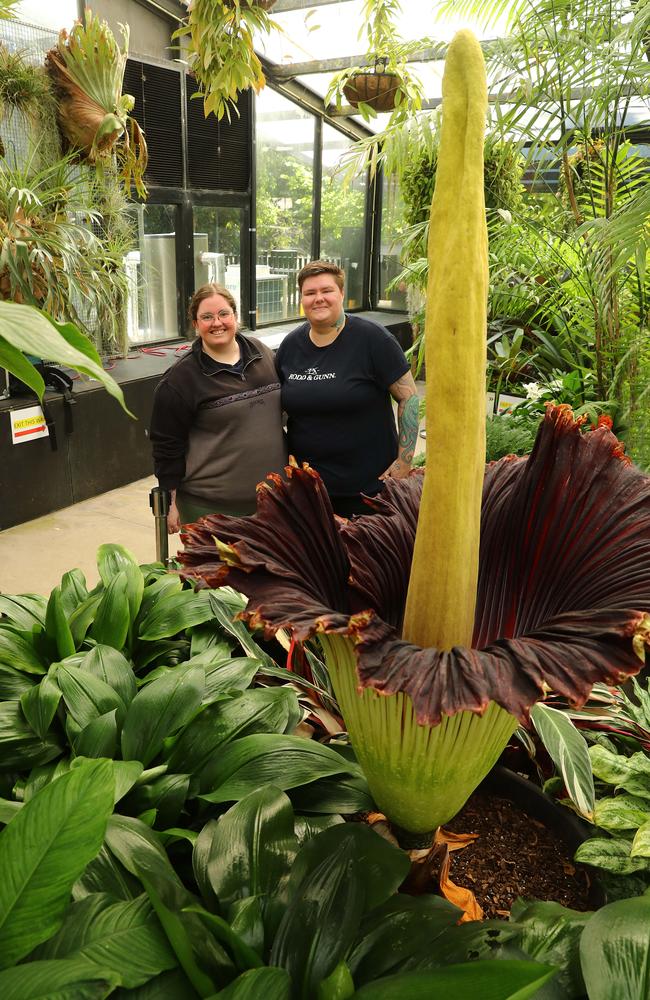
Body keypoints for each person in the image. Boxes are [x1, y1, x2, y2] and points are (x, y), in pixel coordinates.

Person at [275, 260, 419, 516]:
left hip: (369, 491)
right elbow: (284, 408)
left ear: (341, 294)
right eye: (310, 293)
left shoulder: (372, 339)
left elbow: (408, 396)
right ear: (302, 299)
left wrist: (404, 463)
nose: (318, 298)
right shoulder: (290, 346)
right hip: (311, 490)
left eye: (326, 291)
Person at [150, 283, 287, 532]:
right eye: (207, 317)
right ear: (195, 324)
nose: (217, 323)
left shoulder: (263, 354)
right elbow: (166, 446)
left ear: (235, 316)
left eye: (224, 314)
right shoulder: (180, 381)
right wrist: (171, 502)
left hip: (271, 504)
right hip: (209, 511)